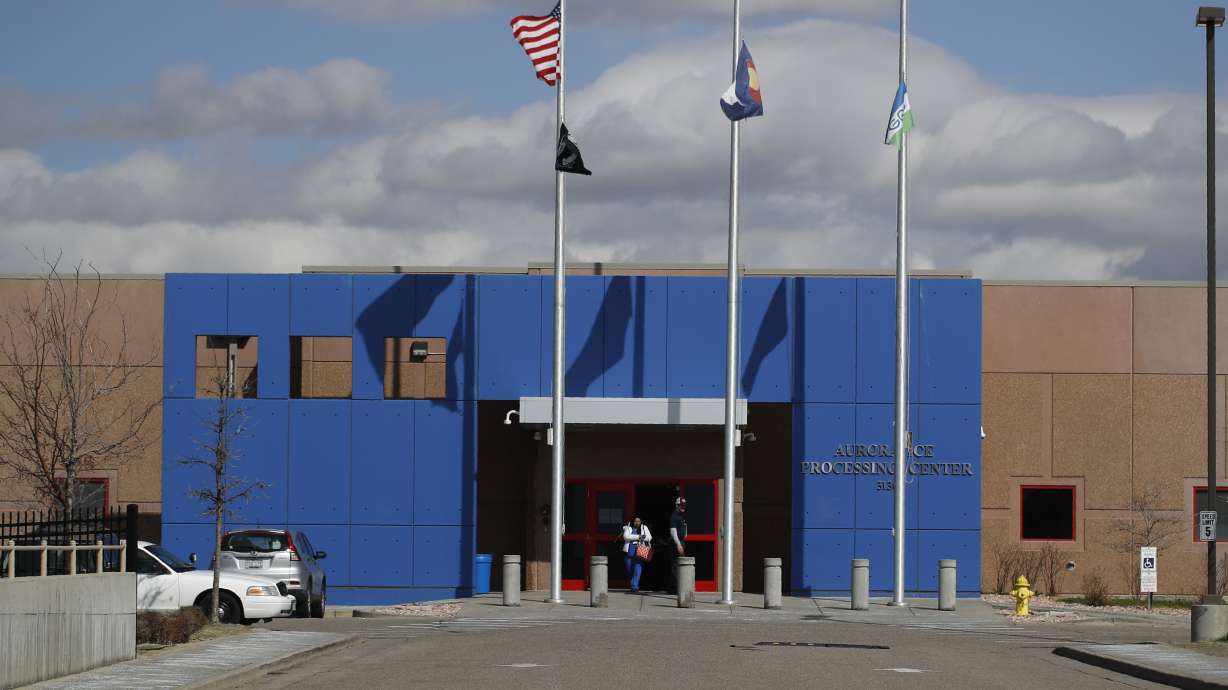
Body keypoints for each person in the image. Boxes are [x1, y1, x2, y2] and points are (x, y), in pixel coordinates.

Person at [621, 515, 651, 593]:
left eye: (638, 521)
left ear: (641, 522)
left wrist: (637, 537)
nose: (637, 522)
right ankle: (633, 585)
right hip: (629, 550)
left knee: (637, 569)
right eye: (635, 521)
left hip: (640, 550)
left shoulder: (644, 527)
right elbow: (626, 536)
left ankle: (634, 587)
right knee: (630, 569)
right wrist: (639, 536)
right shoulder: (628, 528)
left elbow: (649, 537)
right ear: (633, 521)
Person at [668, 497, 688, 594]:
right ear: (677, 505)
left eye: (684, 505)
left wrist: (685, 534)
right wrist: (678, 544)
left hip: (681, 541)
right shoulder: (674, 516)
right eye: (681, 505)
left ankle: (673, 588)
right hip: (676, 542)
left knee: (680, 565)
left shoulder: (683, 515)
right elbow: (673, 531)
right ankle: (675, 588)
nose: (683, 507)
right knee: (676, 566)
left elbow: (685, 526)